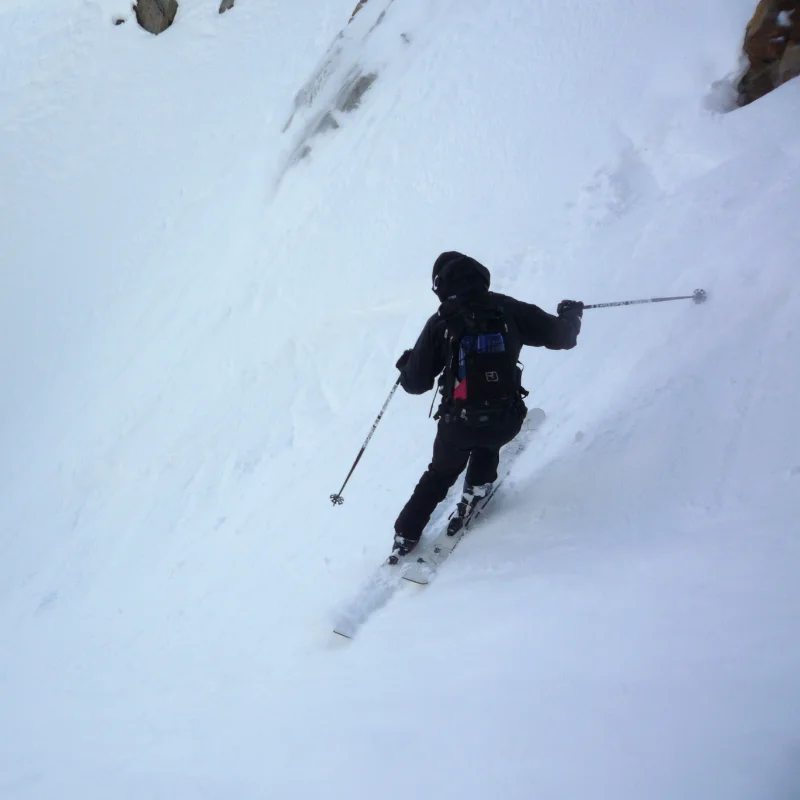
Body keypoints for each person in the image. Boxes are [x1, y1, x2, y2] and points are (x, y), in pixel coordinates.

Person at [390, 251, 583, 561]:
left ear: (441, 286)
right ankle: (476, 491)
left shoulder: (441, 323)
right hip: (506, 420)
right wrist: (571, 315)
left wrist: (407, 364)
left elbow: (415, 384)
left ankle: (406, 534)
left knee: (440, 474)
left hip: (458, 426)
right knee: (488, 442)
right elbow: (563, 337)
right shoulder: (508, 309)